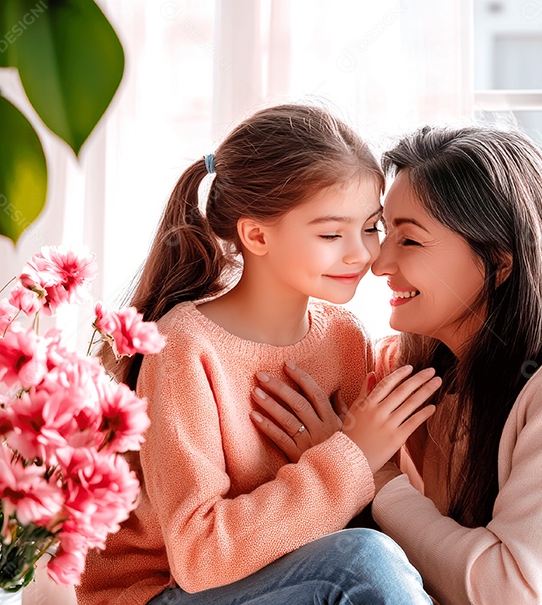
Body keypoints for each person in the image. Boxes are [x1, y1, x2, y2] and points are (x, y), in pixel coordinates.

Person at [253, 124, 542, 604]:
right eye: (382, 231)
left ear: (499, 261)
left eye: (410, 241)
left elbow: (513, 594)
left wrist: (378, 479)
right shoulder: (418, 375)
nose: (379, 263)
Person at [77, 104, 439, 605]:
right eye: (332, 234)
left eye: (371, 227)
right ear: (256, 235)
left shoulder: (344, 339)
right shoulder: (184, 346)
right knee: (363, 560)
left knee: (373, 557)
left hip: (286, 583)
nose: (362, 253)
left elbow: (345, 527)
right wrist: (348, 456)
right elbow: (199, 558)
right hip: (165, 592)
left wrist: (352, 459)